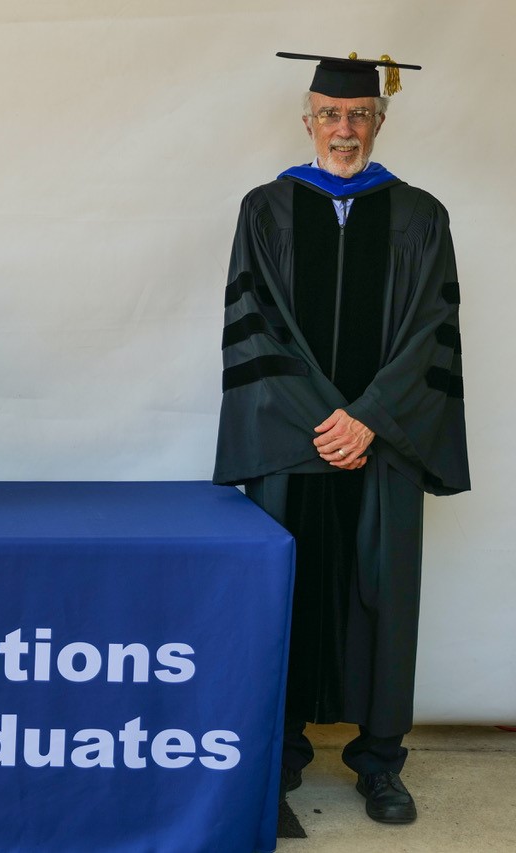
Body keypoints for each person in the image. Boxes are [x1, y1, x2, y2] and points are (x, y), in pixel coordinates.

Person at [214, 54, 469, 825]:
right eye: (330, 114)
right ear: (308, 121)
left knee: (385, 596)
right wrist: (326, 419)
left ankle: (380, 762)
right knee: (285, 593)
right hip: (293, 444)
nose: (344, 129)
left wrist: (371, 416)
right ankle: (279, 760)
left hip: (382, 445)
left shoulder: (421, 215)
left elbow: (432, 330)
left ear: (379, 123)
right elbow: (255, 324)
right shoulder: (266, 209)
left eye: (359, 115)